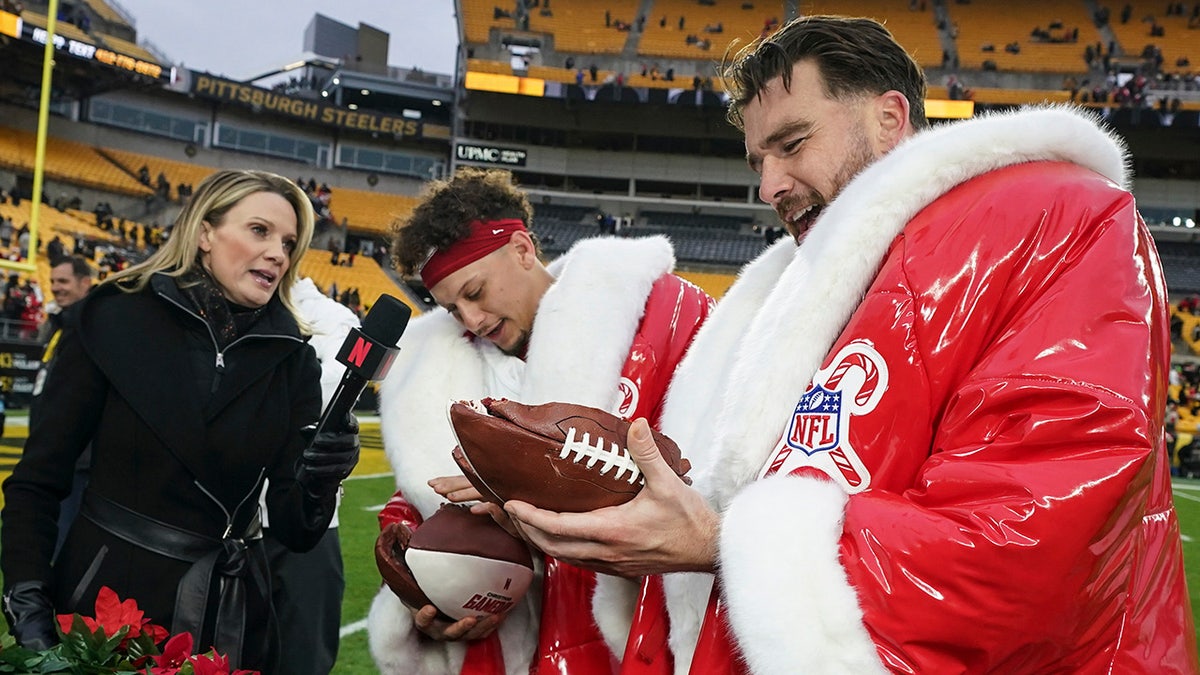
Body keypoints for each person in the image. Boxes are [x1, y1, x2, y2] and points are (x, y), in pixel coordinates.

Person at [501, 15, 1198, 674]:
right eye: (757, 163)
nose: (770, 185)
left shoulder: (1053, 213)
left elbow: (1039, 525)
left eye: (793, 143)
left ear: (889, 119)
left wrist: (722, 546)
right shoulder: (792, 292)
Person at [0, 169, 361, 672]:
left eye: (289, 241)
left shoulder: (294, 359)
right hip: (104, 609)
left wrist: (322, 476)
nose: (279, 252)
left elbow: (296, 529)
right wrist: (26, 593)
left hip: (227, 618)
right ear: (205, 232)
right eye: (260, 230)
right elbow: (39, 479)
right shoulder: (110, 318)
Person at [365, 166, 713, 674]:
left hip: (638, 624)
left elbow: (714, 466)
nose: (473, 320)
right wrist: (425, 588)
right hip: (519, 644)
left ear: (523, 250)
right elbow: (421, 499)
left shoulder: (660, 317)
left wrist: (526, 491)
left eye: (476, 291)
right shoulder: (445, 371)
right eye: (452, 309)